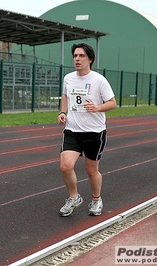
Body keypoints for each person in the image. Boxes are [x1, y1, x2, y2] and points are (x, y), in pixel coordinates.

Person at [57, 43, 116, 217]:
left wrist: (97, 108)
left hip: (94, 132)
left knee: (91, 170)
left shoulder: (99, 80)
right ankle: (74, 197)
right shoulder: (68, 78)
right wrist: (62, 111)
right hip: (72, 130)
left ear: (90, 59)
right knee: (65, 166)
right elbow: (66, 95)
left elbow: (113, 103)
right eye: (75, 55)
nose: (77, 59)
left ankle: (96, 199)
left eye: (81, 56)